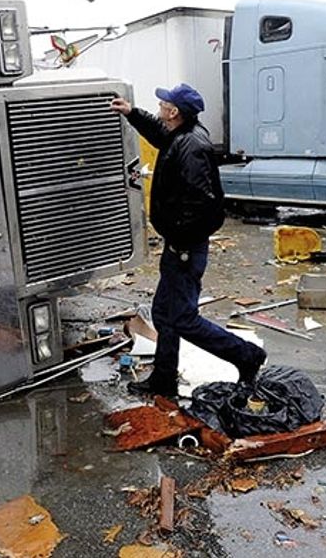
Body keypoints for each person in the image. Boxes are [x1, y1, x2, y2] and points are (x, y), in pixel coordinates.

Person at [111, 83, 267, 397]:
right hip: (178, 244)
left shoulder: (192, 146)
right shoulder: (179, 135)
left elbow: (203, 202)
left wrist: (181, 239)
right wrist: (131, 113)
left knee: (182, 317)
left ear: (174, 112)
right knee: (164, 313)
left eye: (163, 104)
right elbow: (157, 132)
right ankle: (163, 379)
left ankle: (246, 355)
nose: (159, 107)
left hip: (185, 247)